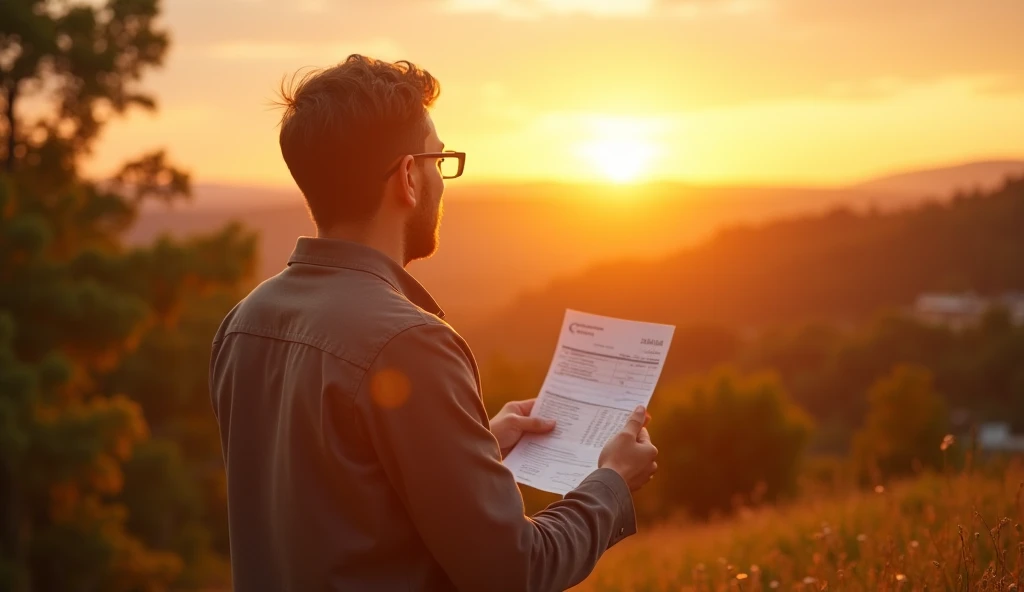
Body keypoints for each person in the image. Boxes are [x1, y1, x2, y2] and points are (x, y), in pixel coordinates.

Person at [209, 54, 659, 592]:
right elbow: (515, 570)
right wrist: (611, 484)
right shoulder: (410, 342)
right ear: (408, 177)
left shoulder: (245, 322)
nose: (443, 181)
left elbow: (334, 504)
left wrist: (476, 444)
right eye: (439, 160)